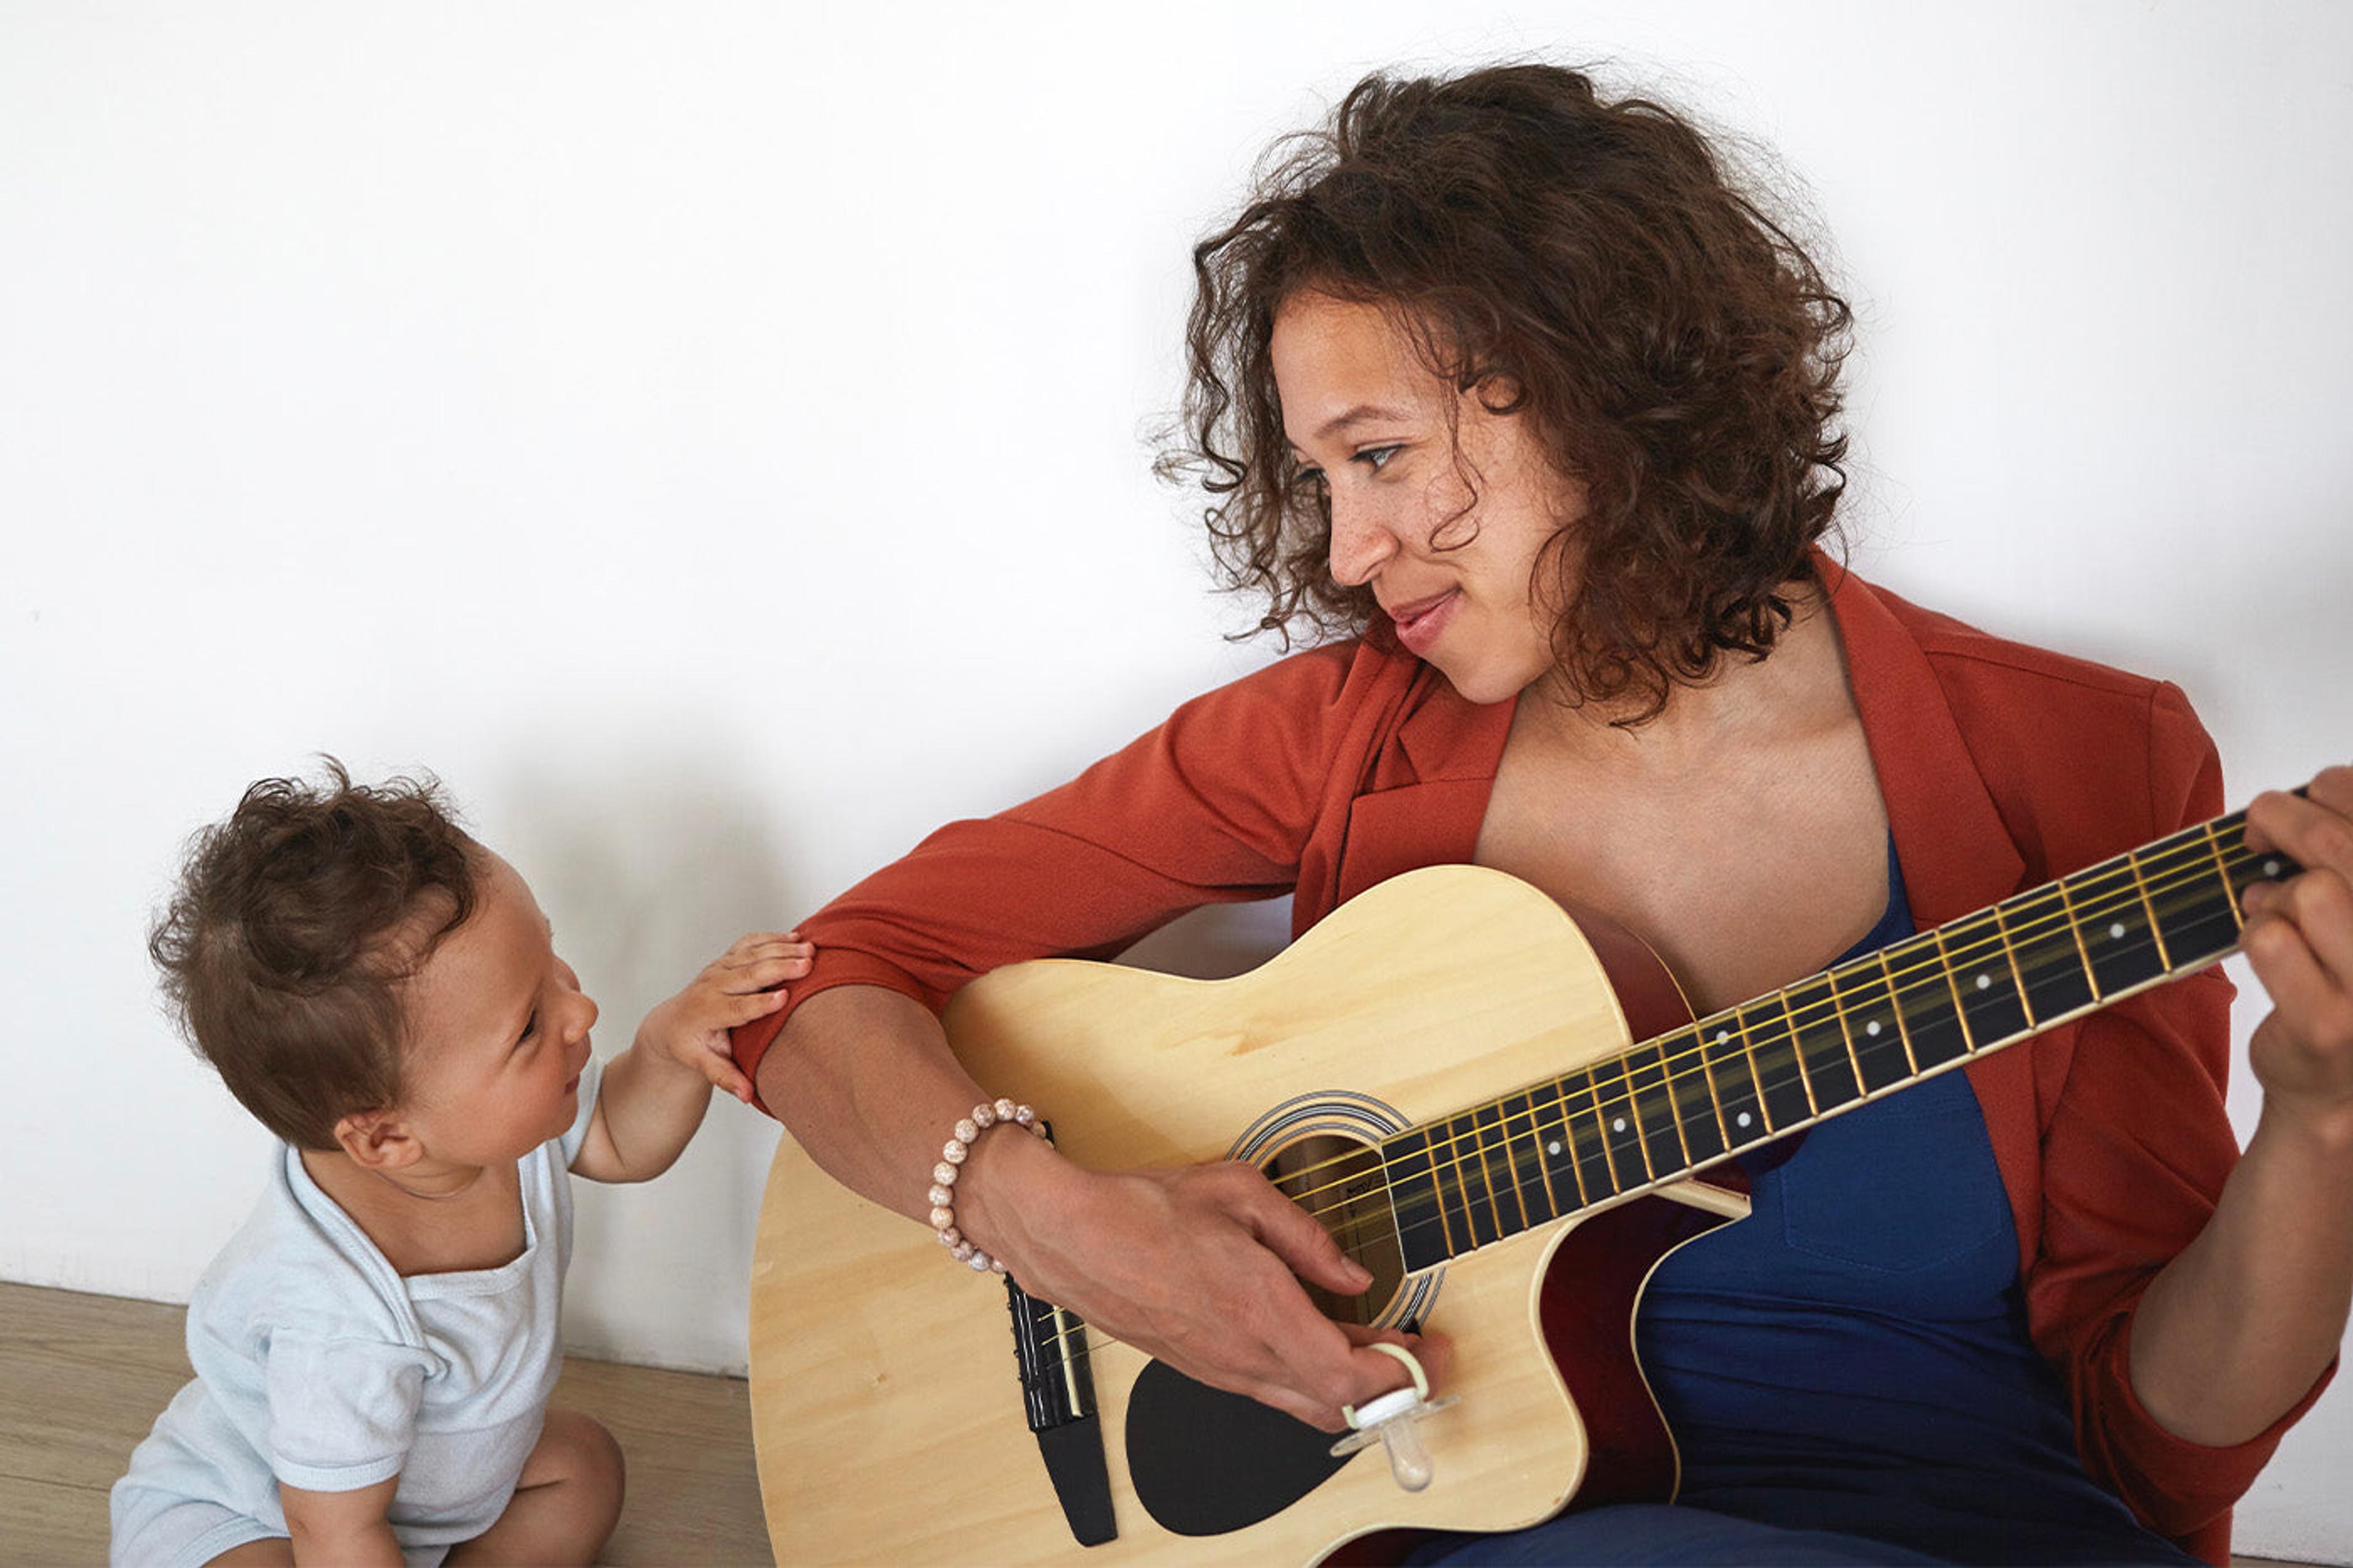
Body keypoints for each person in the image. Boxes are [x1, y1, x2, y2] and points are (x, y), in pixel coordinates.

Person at [730, 64, 2353, 1565]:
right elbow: (815, 987)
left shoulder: (2083, 759)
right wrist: (1074, 1232)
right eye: (1319, 479)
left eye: (1380, 456)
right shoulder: (1342, 741)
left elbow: (2164, 1448)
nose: (1350, 550)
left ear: (1604, 394)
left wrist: (2321, 1124)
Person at [110, 763, 809, 1567]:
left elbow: (619, 1136)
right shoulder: (337, 1318)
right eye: (528, 1027)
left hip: (430, 1490)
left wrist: (672, 1046)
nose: (580, 1012)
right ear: (387, 1139)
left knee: (584, 1468)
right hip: (264, 1512)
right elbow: (333, 1532)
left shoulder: (495, 1127)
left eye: (552, 961)